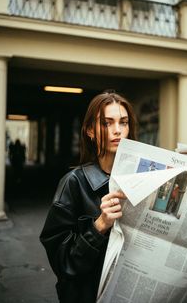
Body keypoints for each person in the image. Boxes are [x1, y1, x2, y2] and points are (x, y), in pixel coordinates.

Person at [40, 90, 137, 303]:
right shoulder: (73, 183)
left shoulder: (140, 180)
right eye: (106, 123)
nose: (117, 131)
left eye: (124, 122)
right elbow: (63, 264)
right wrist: (99, 225)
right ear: (90, 131)